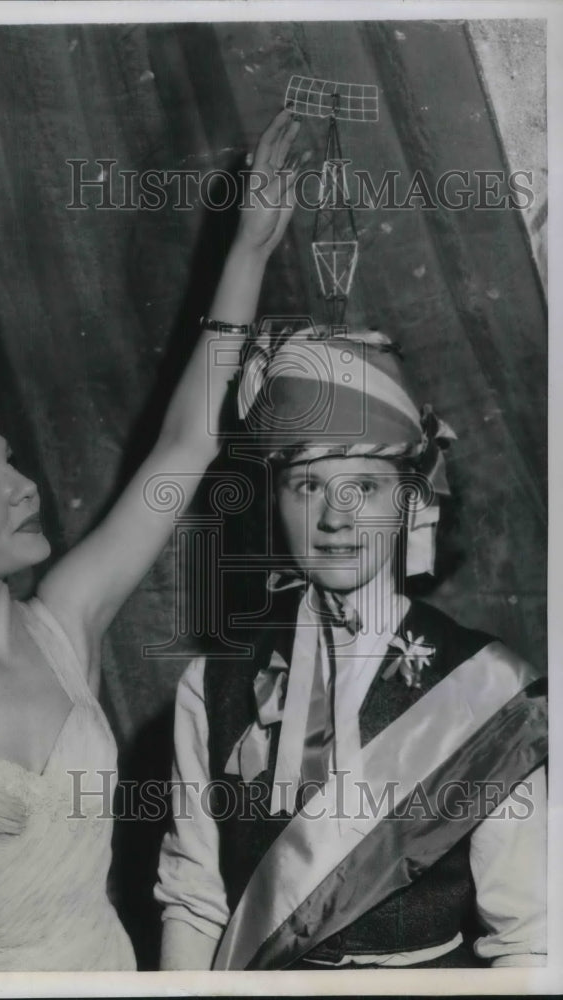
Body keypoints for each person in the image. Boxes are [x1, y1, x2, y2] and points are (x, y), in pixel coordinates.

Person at [0, 109, 306, 972]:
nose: (22, 484)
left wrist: (250, 253)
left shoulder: (63, 626)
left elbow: (186, 445)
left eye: (9, 461)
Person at [155, 324, 548, 969]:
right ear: (273, 498)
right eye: (307, 486)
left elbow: (529, 937)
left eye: (363, 486)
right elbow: (195, 902)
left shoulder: (490, 686)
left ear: (409, 499)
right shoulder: (213, 681)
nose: (336, 518)